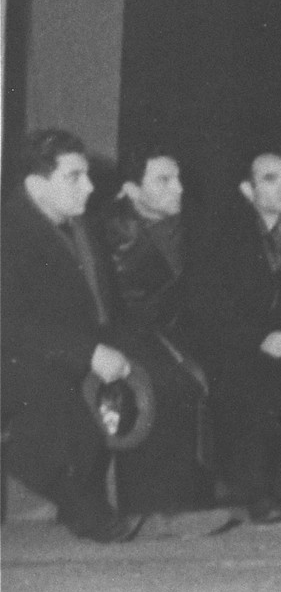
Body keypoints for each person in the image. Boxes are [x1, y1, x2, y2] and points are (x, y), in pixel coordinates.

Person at [2, 131, 141, 541]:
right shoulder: (8, 233)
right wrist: (89, 354)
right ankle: (88, 511)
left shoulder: (81, 229)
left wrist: (118, 350)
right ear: (35, 184)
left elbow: (105, 305)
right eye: (74, 176)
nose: (90, 186)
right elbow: (12, 324)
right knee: (61, 409)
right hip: (18, 360)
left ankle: (153, 502)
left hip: (70, 355)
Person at [187, 152, 281, 523]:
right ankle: (258, 491)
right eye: (271, 178)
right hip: (240, 342)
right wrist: (258, 338)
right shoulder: (222, 235)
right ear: (248, 189)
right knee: (248, 382)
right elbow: (210, 305)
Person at [100, 145, 217, 523]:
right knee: (166, 381)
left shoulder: (193, 228)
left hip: (180, 334)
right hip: (128, 335)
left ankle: (188, 500)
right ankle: (160, 505)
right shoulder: (108, 231)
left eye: (178, 178)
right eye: (164, 180)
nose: (179, 188)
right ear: (133, 191)